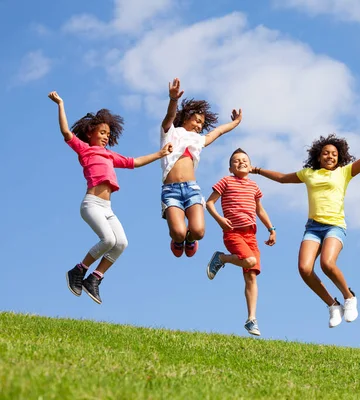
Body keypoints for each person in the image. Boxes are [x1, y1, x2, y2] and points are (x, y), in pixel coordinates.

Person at [251, 112, 360, 328]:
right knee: (304, 269)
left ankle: (349, 297)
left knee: (327, 263)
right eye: (326, 153)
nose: (330, 157)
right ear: (319, 156)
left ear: (339, 157)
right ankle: (332, 304)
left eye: (334, 154)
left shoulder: (344, 173)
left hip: (335, 225)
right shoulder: (309, 174)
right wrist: (257, 170)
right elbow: (282, 178)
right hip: (313, 227)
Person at [48, 91, 173, 304]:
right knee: (108, 240)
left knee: (121, 243)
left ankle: (94, 279)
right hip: (91, 204)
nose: (106, 136)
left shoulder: (110, 155)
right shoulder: (85, 150)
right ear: (90, 133)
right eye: (102, 132)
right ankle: (77, 271)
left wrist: (159, 154)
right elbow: (66, 132)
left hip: (107, 207)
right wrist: (60, 103)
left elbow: (135, 162)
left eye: (108, 133)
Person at [160, 78, 242, 258]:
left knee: (198, 232)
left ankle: (190, 240)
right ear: (186, 117)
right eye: (196, 121)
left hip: (192, 189)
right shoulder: (170, 133)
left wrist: (234, 123)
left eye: (201, 124)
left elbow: (217, 132)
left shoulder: (198, 140)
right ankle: (179, 240)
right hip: (171, 190)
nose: (199, 126)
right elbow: (169, 118)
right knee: (179, 232)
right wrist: (173, 99)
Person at [205, 148, 277, 336]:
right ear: (230, 168)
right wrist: (219, 219)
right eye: (236, 161)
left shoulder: (254, 187)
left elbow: (260, 210)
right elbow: (209, 203)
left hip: (251, 235)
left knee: (251, 275)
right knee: (250, 261)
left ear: (250, 165)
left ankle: (251, 319)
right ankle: (222, 258)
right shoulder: (226, 181)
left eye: (244, 160)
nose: (241, 162)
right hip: (233, 233)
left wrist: (271, 229)